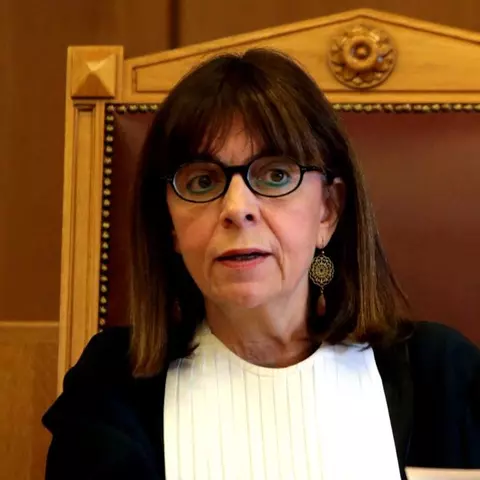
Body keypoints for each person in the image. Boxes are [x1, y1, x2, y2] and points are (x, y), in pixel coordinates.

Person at [42, 49, 480, 480]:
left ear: (328, 211)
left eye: (275, 176)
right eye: (202, 181)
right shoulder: (111, 390)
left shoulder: (442, 379)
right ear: (170, 225)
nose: (237, 209)